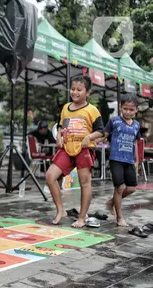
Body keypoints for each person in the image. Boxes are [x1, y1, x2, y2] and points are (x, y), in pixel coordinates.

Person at [45, 76, 104, 228]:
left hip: (84, 150)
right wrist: (58, 135)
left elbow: (101, 131)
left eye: (79, 89)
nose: (75, 92)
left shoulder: (92, 110)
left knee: (85, 183)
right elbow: (62, 125)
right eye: (73, 89)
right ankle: (60, 210)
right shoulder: (66, 108)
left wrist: (89, 137)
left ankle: (82, 218)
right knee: (50, 176)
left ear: (88, 92)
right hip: (66, 148)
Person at [101, 94, 140, 227]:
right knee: (120, 188)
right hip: (116, 158)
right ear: (120, 108)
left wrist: (137, 161)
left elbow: (135, 143)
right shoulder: (114, 121)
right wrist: (92, 140)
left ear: (136, 110)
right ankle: (119, 217)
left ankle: (111, 202)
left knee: (131, 188)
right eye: (125, 109)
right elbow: (104, 136)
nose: (128, 112)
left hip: (129, 160)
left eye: (131, 109)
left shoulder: (137, 125)